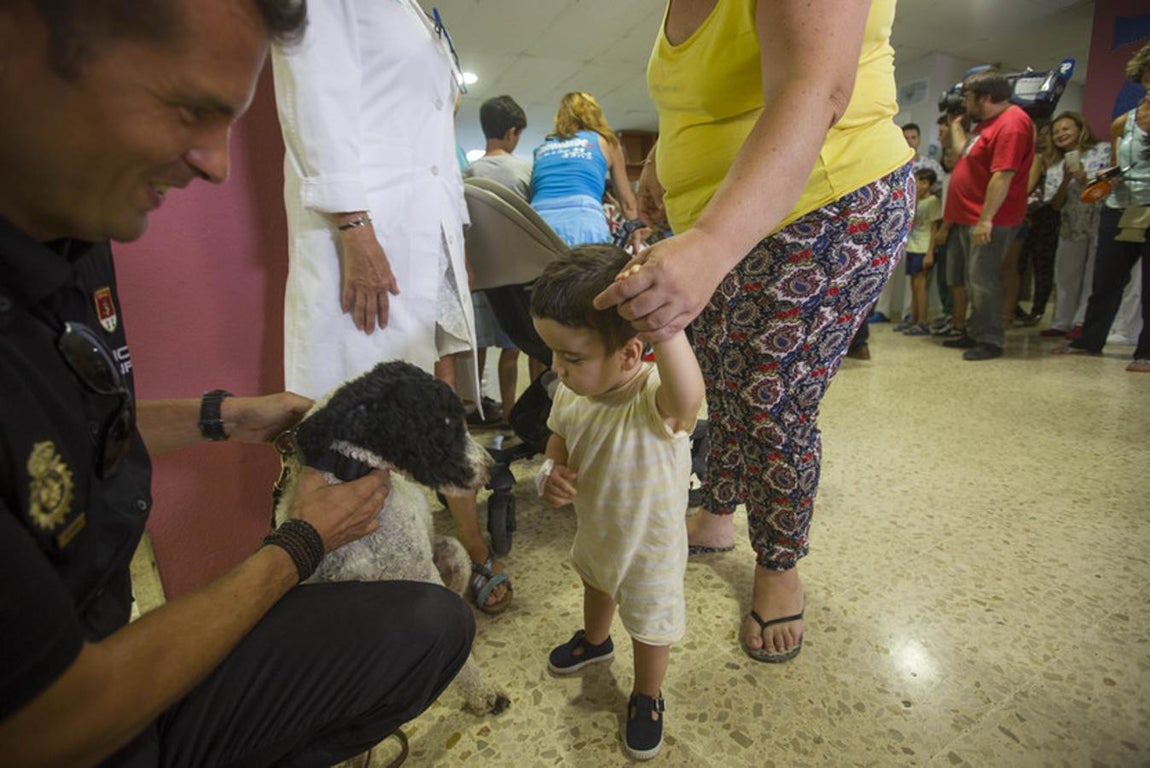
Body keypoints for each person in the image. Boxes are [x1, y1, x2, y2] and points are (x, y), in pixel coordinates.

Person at [0, 1, 474, 765]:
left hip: (107, 639)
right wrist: (299, 543)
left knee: (428, 628)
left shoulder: (73, 236)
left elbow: (63, 424)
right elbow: (46, 726)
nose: (216, 163)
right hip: (76, 728)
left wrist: (223, 416)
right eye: (187, 106)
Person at [594, 0, 914, 663]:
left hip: (824, 198)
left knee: (771, 399)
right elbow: (696, 105)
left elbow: (815, 85)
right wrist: (660, 171)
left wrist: (710, 242)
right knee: (723, 379)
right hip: (726, 214)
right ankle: (718, 509)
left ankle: (778, 563)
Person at [271, 0, 513, 612]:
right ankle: (362, 601)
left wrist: (452, 246)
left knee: (435, 411)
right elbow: (311, 89)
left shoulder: (418, 13)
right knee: (353, 430)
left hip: (420, 238)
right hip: (361, 232)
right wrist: (354, 227)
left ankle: (461, 554)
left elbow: (429, 139)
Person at [531, 245, 704, 761]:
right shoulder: (571, 392)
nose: (558, 369)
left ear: (630, 353)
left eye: (572, 357)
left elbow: (689, 396)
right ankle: (596, 640)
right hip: (598, 529)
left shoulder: (654, 399)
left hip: (650, 546)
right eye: (553, 355)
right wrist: (549, 473)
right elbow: (557, 441)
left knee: (651, 625)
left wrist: (662, 328)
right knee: (595, 582)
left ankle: (647, 695)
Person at [1055, 43, 1150, 373]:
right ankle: (1089, 340)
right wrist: (1102, 178)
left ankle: (1146, 351)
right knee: (1106, 278)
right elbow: (1114, 164)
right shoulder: (1123, 123)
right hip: (1119, 206)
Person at [939, 69, 1035, 361]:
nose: (964, 102)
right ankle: (975, 331)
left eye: (968, 98)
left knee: (983, 280)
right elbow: (963, 156)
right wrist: (956, 125)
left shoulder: (1013, 123)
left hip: (991, 219)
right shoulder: (985, 124)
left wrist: (986, 219)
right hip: (968, 215)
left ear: (987, 97)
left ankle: (991, 340)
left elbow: (1003, 175)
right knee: (971, 279)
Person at [463, 94, 545, 422]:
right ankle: (514, 411)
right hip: (515, 273)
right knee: (516, 346)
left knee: (478, 346)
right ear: (512, 132)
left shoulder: (467, 172)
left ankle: (475, 408)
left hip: (479, 273)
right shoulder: (524, 170)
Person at [529, 91, 641, 247]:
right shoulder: (607, 142)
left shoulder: (542, 148)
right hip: (583, 219)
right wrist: (635, 234)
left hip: (537, 221)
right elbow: (627, 203)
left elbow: (535, 192)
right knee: (587, 271)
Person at [1040, 112, 1113, 338]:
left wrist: (1083, 178)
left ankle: (1083, 322)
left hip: (1100, 222)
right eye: (1056, 131)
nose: (1061, 134)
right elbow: (1055, 204)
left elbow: (1111, 186)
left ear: (1080, 128)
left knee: (1093, 275)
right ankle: (1062, 321)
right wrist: (1065, 179)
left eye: (1066, 128)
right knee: (1066, 275)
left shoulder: (1104, 151)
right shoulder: (1054, 166)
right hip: (1071, 226)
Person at [903, 168, 944, 335]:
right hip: (912, 245)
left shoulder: (933, 201)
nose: (920, 185)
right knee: (913, 284)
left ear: (931, 185)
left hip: (924, 246)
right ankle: (913, 319)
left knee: (921, 285)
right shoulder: (916, 200)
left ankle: (923, 322)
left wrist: (930, 252)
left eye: (924, 182)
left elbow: (934, 228)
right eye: (918, 181)